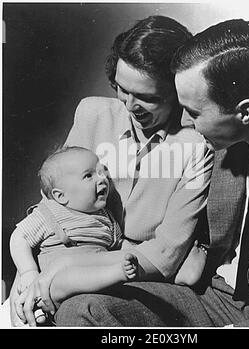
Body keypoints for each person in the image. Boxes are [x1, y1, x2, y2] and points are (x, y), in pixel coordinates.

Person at [50, 18, 249, 327]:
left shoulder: (214, 140)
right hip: (215, 296)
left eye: (193, 113)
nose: (187, 124)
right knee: (82, 310)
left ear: (244, 112)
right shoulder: (224, 136)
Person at [10, 15, 213, 326]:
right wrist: (31, 275)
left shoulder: (196, 146)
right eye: (121, 89)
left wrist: (65, 269)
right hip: (51, 268)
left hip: (133, 278)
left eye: (148, 97)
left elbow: (166, 256)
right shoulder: (92, 113)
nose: (131, 106)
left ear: (178, 90)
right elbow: (54, 202)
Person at [10, 146, 140, 324]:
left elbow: (119, 244)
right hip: (54, 283)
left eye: (103, 173)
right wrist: (28, 272)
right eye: (88, 175)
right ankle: (116, 273)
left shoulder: (107, 217)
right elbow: (19, 238)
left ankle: (115, 274)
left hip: (93, 276)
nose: (102, 179)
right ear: (61, 196)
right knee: (66, 278)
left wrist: (136, 254)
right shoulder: (49, 212)